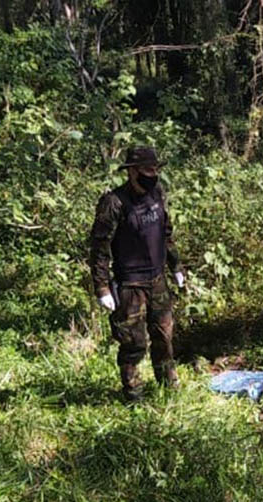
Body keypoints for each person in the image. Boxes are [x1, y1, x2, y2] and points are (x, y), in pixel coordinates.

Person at [88, 146, 185, 402]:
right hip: (130, 284)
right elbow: (99, 247)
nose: (152, 174)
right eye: (146, 170)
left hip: (157, 280)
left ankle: (168, 386)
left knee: (164, 336)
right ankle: (134, 395)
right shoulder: (114, 203)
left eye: (155, 169)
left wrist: (176, 266)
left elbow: (166, 232)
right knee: (133, 342)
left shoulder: (157, 194)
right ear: (131, 172)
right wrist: (102, 288)